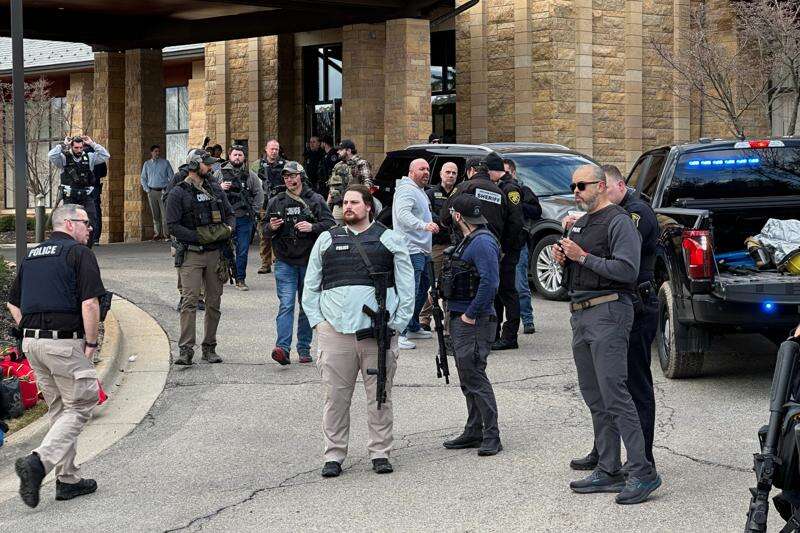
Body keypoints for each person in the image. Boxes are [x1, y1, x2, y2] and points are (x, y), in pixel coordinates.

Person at [552, 164, 661, 505]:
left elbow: (627, 270)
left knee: (615, 394)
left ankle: (642, 471)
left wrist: (582, 257)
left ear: (600, 186)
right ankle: (608, 467)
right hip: (581, 313)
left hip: (609, 311)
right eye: (573, 186)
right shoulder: (582, 222)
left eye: (581, 185)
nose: (576, 191)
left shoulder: (620, 220)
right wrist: (564, 260)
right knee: (594, 395)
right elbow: (579, 268)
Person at [302, 185, 414, 478]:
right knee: (335, 399)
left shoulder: (390, 240)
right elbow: (310, 287)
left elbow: (407, 288)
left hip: (377, 335)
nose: (347, 207)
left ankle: (380, 452)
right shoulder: (327, 239)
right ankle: (334, 455)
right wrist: (318, 323)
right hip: (335, 334)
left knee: (380, 396)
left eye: (354, 202)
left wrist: (397, 325)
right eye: (345, 202)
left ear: (369, 207)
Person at [9, 204, 106, 508]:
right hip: (64, 344)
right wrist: (91, 343)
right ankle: (38, 462)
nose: (90, 228)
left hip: (33, 345)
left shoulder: (32, 256)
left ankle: (68, 479)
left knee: (60, 409)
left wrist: (31, 332)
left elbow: (13, 304)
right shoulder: (79, 254)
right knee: (83, 403)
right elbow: (90, 303)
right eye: (85, 222)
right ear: (69, 223)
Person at [440, 195, 503, 456]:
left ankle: (492, 435)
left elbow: (490, 282)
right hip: (461, 316)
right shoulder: (469, 240)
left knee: (475, 375)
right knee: (467, 377)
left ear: (458, 216)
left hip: (473, 321)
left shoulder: (482, 242)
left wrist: (470, 314)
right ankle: (474, 430)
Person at [166, 148, 235, 365]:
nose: (211, 166)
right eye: (207, 163)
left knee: (214, 302)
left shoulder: (215, 189)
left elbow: (230, 214)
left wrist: (229, 229)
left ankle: (209, 347)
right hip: (191, 254)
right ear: (195, 165)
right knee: (189, 301)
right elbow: (172, 226)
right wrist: (199, 237)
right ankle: (186, 350)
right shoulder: (178, 192)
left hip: (215, 254)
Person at [265, 161, 335, 365]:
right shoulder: (276, 201)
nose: (289, 180)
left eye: (293, 176)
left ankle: (304, 348)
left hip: (309, 262)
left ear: (301, 177)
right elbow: (264, 230)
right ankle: (282, 349)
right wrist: (271, 227)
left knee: (307, 306)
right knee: (286, 304)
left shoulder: (315, 199)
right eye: (286, 177)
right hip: (284, 261)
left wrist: (312, 227)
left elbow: (330, 225)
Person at [391, 158, 438, 350]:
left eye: (427, 169)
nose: (426, 172)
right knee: (409, 291)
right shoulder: (407, 190)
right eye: (421, 169)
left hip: (422, 249)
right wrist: (424, 225)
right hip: (411, 249)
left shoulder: (418, 190)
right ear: (411, 172)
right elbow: (402, 215)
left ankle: (412, 326)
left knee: (423, 287)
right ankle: (399, 333)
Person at [485, 153, 526, 350]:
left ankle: (510, 336)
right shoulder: (500, 186)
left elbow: (516, 222)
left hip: (508, 249)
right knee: (499, 291)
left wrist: (505, 248)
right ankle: (495, 332)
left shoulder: (510, 188)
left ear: (492, 171)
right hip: (502, 248)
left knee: (508, 291)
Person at [214, 144, 264, 291]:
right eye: (235, 155)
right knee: (222, 249)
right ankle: (224, 273)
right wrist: (220, 187)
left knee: (242, 250)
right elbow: (209, 191)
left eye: (240, 155)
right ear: (229, 156)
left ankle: (240, 278)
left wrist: (254, 211)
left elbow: (259, 194)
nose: (237, 157)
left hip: (244, 218)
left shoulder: (250, 175)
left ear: (244, 157)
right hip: (224, 219)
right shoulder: (219, 174)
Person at [48, 135, 110, 248]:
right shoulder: (64, 158)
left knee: (91, 221)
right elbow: (51, 155)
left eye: (81, 147)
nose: (79, 150)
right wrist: (64, 145)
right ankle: (71, 247)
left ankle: (87, 248)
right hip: (70, 196)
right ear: (71, 147)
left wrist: (92, 144)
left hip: (86, 195)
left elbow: (105, 155)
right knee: (69, 222)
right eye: (76, 148)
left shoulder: (89, 157)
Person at [419, 161, 459, 330]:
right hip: (437, 245)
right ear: (441, 174)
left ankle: (447, 323)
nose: (451, 175)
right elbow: (428, 215)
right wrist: (445, 222)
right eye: (447, 172)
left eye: (454, 173)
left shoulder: (460, 193)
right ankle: (424, 318)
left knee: (451, 283)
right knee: (431, 283)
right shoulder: (430, 194)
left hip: (455, 245)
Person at [504, 158, 542, 334]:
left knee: (520, 285)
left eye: (507, 172)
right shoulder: (497, 189)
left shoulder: (523, 190)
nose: (504, 176)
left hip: (518, 243)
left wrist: (516, 205)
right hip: (500, 243)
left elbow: (536, 211)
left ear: (513, 173)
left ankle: (527, 320)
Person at [253, 139, 285, 274]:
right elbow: (252, 183)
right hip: (263, 204)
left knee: (281, 231)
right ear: (266, 149)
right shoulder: (257, 165)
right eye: (272, 149)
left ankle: (278, 260)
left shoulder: (285, 164)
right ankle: (265, 263)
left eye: (276, 149)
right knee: (264, 233)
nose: (274, 151)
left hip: (280, 203)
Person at [327, 139, 372, 224]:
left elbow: (367, 184)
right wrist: (327, 205)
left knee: (356, 228)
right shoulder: (338, 165)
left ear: (348, 151)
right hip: (339, 205)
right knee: (337, 230)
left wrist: (363, 203)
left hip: (355, 204)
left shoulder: (361, 163)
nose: (338, 152)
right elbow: (332, 187)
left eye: (341, 149)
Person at [140, 144, 174, 241]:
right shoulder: (147, 164)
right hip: (152, 192)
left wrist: (167, 189)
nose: (157, 153)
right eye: (155, 151)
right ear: (151, 153)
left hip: (163, 191)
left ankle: (166, 235)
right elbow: (143, 178)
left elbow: (172, 177)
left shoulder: (165, 163)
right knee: (155, 215)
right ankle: (157, 234)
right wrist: (147, 190)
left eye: (158, 151)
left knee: (165, 214)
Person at [319, 135, 339, 199]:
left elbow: (332, 169)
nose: (320, 144)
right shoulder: (326, 154)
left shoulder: (333, 154)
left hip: (330, 184)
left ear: (324, 143)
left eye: (321, 142)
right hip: (325, 184)